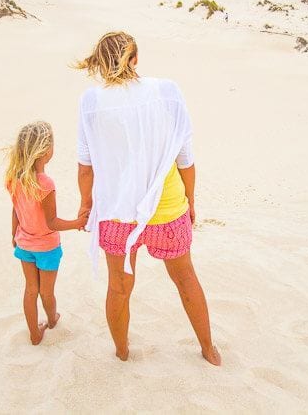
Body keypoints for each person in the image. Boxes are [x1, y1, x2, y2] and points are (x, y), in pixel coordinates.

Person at [74, 31, 221, 365]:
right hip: (166, 205)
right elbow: (185, 156)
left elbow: (86, 166)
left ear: (100, 63)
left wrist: (86, 206)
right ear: (135, 58)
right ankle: (208, 350)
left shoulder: (91, 101)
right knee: (185, 278)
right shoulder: (166, 91)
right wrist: (191, 200)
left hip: (116, 212)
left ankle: (122, 352)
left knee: (119, 287)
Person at [5, 121, 88, 345]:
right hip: (48, 248)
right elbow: (52, 223)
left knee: (30, 290)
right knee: (47, 292)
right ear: (44, 151)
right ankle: (52, 320)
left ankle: (34, 333)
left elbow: (15, 209)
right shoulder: (45, 183)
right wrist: (78, 222)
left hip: (24, 245)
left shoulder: (15, 179)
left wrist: (14, 234)